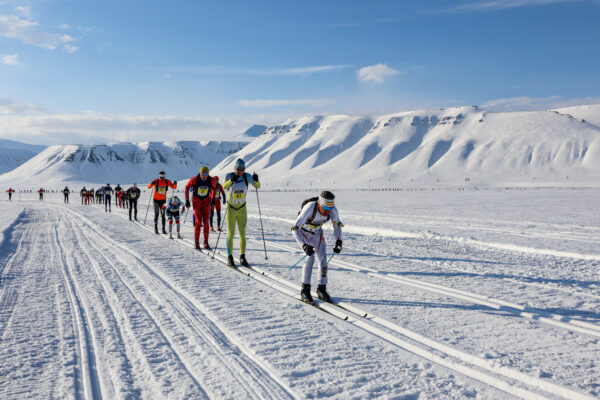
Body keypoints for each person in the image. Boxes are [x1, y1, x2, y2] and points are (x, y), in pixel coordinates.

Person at [292, 191, 343, 304]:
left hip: (317, 233)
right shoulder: (310, 207)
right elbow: (295, 229)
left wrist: (339, 240)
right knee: (310, 258)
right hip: (303, 232)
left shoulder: (332, 210)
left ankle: (321, 288)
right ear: (319, 204)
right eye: (325, 208)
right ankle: (305, 290)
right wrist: (304, 245)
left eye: (329, 209)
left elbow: (337, 225)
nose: (327, 212)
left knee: (323, 260)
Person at [223, 158, 260, 267]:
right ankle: (230, 257)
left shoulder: (247, 176)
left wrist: (256, 180)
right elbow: (224, 186)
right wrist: (231, 181)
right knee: (230, 233)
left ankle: (242, 256)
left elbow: (258, 186)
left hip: (242, 209)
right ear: (234, 168)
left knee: (242, 234)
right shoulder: (229, 176)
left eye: (242, 169)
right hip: (231, 209)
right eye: (238, 169)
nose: (240, 171)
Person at [185, 166, 213, 249]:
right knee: (198, 221)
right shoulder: (195, 179)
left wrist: (212, 198)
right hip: (197, 201)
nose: (204, 176)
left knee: (206, 222)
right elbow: (187, 188)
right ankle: (196, 242)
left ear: (208, 174)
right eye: (202, 174)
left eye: (206, 174)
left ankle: (206, 242)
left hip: (206, 201)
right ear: (200, 173)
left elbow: (214, 188)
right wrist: (187, 200)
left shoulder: (211, 180)